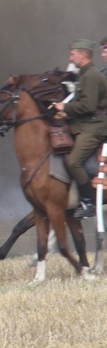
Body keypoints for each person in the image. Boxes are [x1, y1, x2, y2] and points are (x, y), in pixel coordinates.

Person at [54, 39, 107, 219]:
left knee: (73, 162)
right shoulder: (85, 75)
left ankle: (89, 202)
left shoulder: (91, 76)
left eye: (73, 54)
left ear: (83, 55)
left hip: (93, 127)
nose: (71, 57)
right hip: (84, 124)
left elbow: (89, 106)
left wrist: (65, 109)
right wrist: (65, 114)